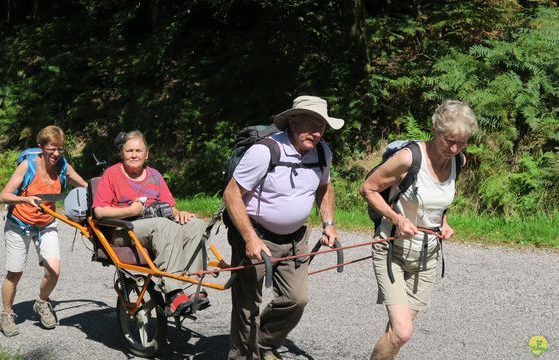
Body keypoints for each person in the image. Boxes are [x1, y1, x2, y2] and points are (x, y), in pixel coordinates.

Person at [223, 95, 342, 360]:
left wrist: (329, 224)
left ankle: (263, 344)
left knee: (295, 299)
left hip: (295, 239)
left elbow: (324, 187)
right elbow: (231, 195)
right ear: (292, 121)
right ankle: (242, 356)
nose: (317, 131)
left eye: (321, 126)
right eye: (311, 124)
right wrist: (250, 239)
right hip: (256, 236)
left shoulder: (323, 152)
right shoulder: (265, 151)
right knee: (246, 307)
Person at [359, 100, 478, 360]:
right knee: (402, 332)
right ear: (436, 131)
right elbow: (368, 188)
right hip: (392, 250)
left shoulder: (459, 161)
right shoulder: (409, 157)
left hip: (427, 256)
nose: (455, 148)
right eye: (449, 141)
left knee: (396, 331)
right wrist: (397, 219)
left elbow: (438, 202)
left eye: (462, 142)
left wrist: (443, 223)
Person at [91, 130, 210, 318]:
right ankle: (172, 293)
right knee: (164, 225)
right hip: (125, 230)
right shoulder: (111, 174)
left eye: (139, 150)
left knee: (195, 225)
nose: (134, 155)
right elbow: (99, 211)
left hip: (157, 225)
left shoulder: (154, 175)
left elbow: (170, 207)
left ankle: (191, 287)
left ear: (147, 154)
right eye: (129, 150)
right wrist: (131, 210)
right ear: (121, 153)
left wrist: (181, 214)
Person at [0, 125, 88, 337]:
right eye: (51, 149)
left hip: (47, 223)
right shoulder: (28, 166)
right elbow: (3, 196)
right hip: (18, 224)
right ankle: (7, 314)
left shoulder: (63, 166)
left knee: (53, 271)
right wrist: (24, 198)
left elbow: (84, 186)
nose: (56, 154)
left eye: (60, 149)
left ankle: (42, 302)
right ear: (41, 148)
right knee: (15, 273)